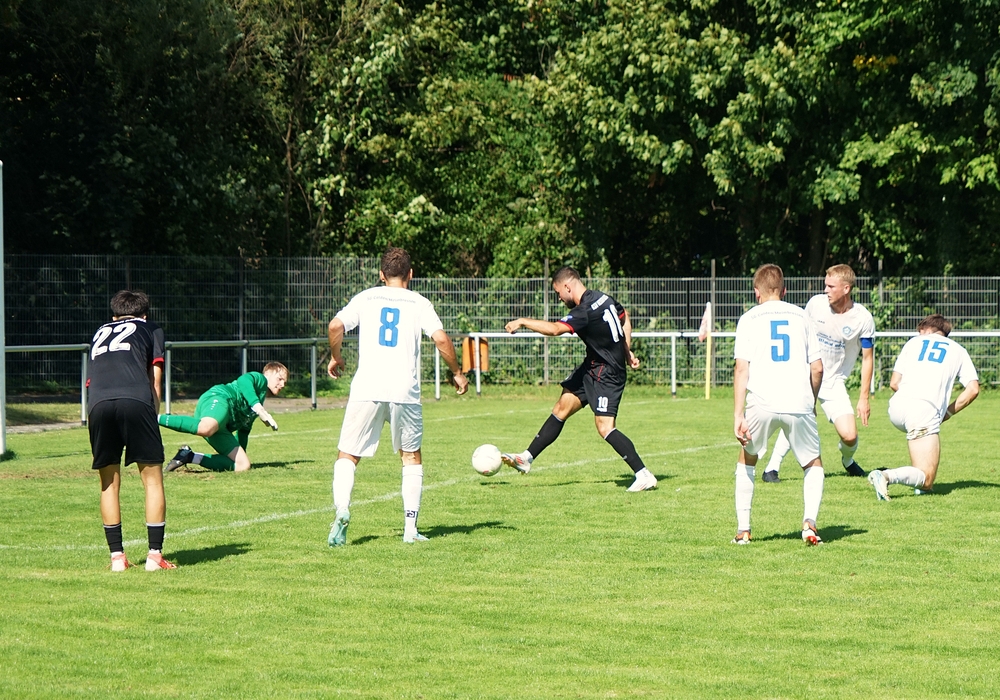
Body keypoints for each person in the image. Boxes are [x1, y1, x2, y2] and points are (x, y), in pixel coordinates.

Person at [326, 247, 469, 546]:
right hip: (404, 390)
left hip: (367, 387)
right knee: (410, 456)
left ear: (381, 275)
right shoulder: (419, 303)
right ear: (410, 274)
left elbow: (335, 325)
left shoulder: (366, 297)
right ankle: (410, 529)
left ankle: (342, 509)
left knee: (348, 454)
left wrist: (336, 357)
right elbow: (441, 339)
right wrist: (457, 372)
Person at [498, 266, 656, 492]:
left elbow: (555, 329)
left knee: (605, 427)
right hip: (592, 367)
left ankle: (643, 474)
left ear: (567, 286)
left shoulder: (584, 311)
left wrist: (522, 321)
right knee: (561, 408)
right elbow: (625, 318)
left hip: (607, 373)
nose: (559, 298)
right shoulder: (603, 298)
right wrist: (626, 350)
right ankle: (526, 458)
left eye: (558, 293)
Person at [732, 264, 825, 546]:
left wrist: (738, 414)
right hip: (799, 401)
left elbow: (741, 368)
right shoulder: (802, 316)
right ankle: (809, 524)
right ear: (784, 291)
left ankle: (744, 531)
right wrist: (811, 401)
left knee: (747, 459)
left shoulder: (748, 318)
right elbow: (818, 368)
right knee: (812, 463)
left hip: (762, 402)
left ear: (756, 292)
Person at [86, 290, 175, 571]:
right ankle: (154, 557)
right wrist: (153, 414)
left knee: (108, 482)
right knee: (152, 480)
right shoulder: (151, 329)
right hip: (136, 399)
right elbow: (155, 380)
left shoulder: (99, 331)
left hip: (97, 405)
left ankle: (117, 559)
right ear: (144, 315)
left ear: (114, 317)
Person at [762, 264, 875, 482]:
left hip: (833, 382)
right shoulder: (815, 304)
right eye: (825, 285)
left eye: (831, 286)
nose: (826, 290)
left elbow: (868, 358)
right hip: (808, 375)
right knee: (797, 417)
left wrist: (864, 398)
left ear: (846, 289)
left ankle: (848, 460)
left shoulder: (863, 318)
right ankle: (771, 468)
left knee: (850, 436)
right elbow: (799, 335)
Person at [867, 314, 979, 500]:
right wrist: (947, 413)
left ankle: (917, 486)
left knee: (923, 479)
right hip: (923, 409)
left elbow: (894, 383)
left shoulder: (912, 343)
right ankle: (885, 475)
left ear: (926, 330)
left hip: (896, 406)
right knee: (927, 479)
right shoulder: (958, 350)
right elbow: (973, 389)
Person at [159, 362, 288, 472]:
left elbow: (243, 432)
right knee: (206, 427)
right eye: (280, 379)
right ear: (268, 373)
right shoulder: (261, 379)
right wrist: (259, 408)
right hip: (220, 398)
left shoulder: (259, 400)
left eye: (284, 382)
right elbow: (244, 380)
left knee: (243, 465)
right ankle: (153, 418)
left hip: (221, 426)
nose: (282, 385)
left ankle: (189, 456)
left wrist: (238, 454)